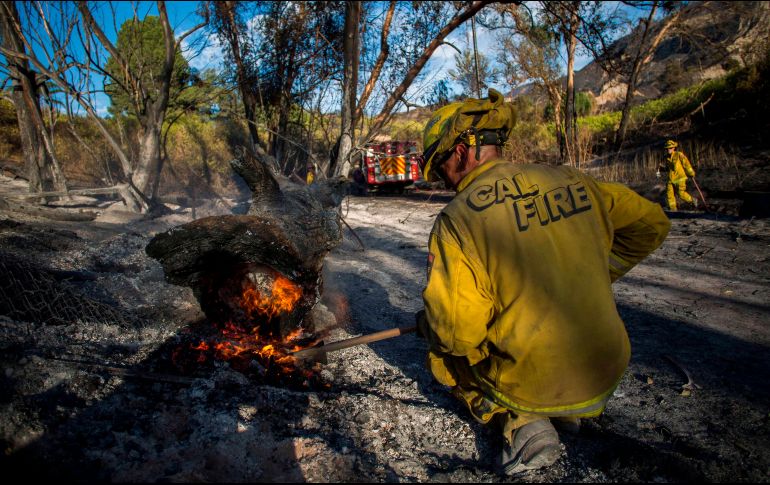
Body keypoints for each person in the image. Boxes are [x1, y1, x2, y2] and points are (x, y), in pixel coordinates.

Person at [415, 89, 671, 476]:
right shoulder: (570, 178)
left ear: (462, 151)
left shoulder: (458, 219)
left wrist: (433, 326)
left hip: (532, 383)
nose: (441, 179)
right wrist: (594, 270)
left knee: (444, 355)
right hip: (604, 370)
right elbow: (652, 224)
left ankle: (525, 424)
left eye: (439, 167)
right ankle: (567, 410)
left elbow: (458, 335)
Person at [657, 140, 697, 211]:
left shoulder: (679, 154)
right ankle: (673, 210)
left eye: (670, 148)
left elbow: (686, 164)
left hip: (680, 177)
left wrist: (691, 173)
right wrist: (662, 168)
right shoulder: (667, 157)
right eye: (667, 148)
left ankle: (692, 200)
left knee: (681, 194)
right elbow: (668, 168)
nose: (668, 149)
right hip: (671, 179)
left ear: (674, 148)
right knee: (669, 195)